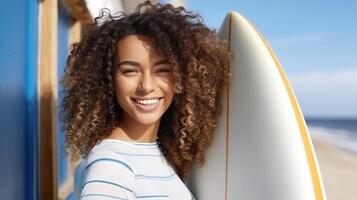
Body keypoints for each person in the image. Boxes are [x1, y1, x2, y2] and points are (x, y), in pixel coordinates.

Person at [61, 1, 230, 199]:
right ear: (108, 80)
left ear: (182, 77)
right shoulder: (111, 167)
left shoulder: (157, 152)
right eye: (130, 71)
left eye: (162, 70)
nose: (147, 86)